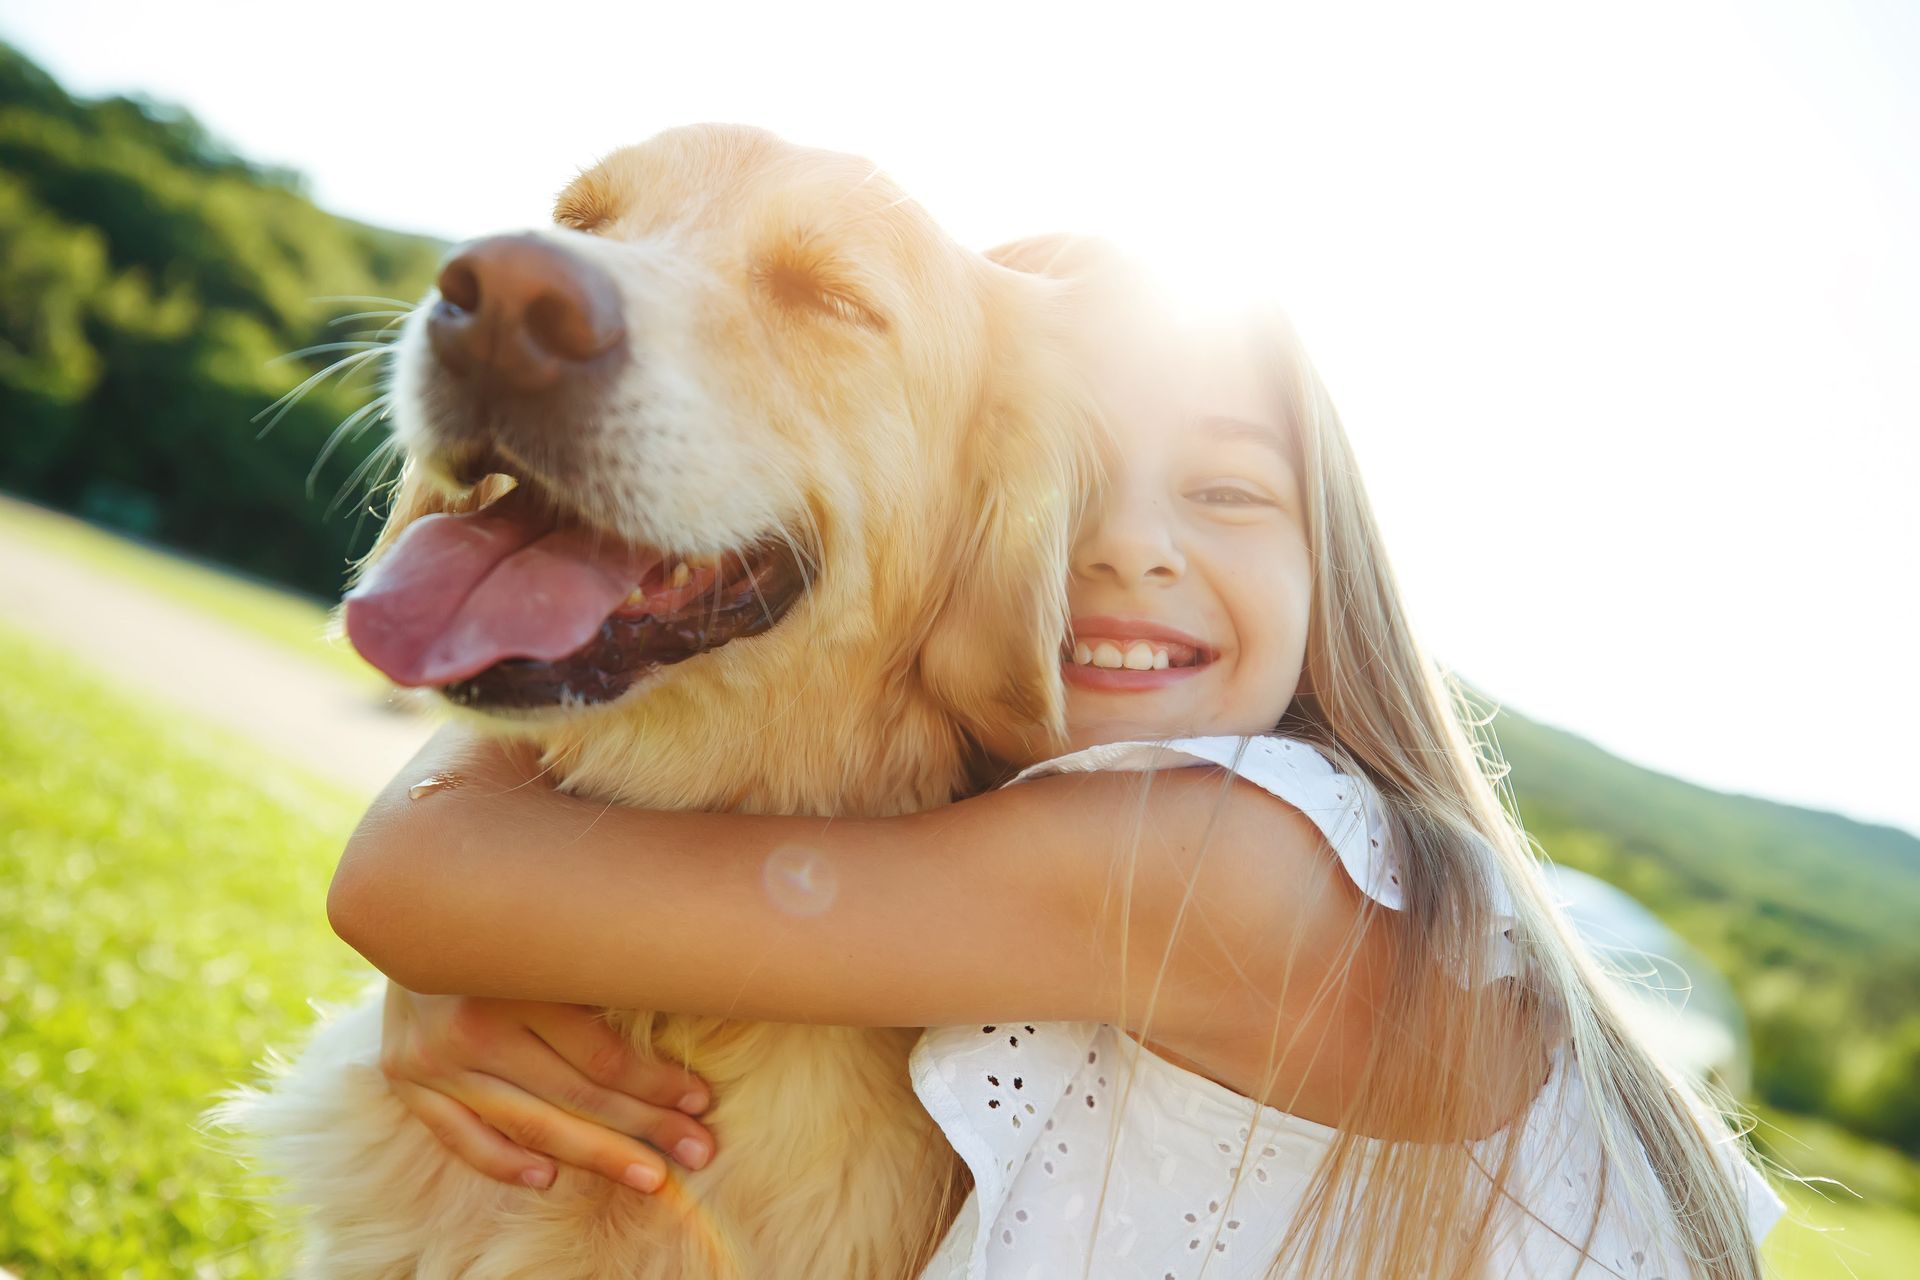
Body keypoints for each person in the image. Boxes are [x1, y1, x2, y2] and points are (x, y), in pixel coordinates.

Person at [327, 236, 1783, 1277]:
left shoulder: (1219, 865)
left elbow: (417, 885)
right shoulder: (1073, 846)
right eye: (1060, 483)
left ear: (1337, 577)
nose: (1130, 544)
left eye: (1224, 490)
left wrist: (449, 955)